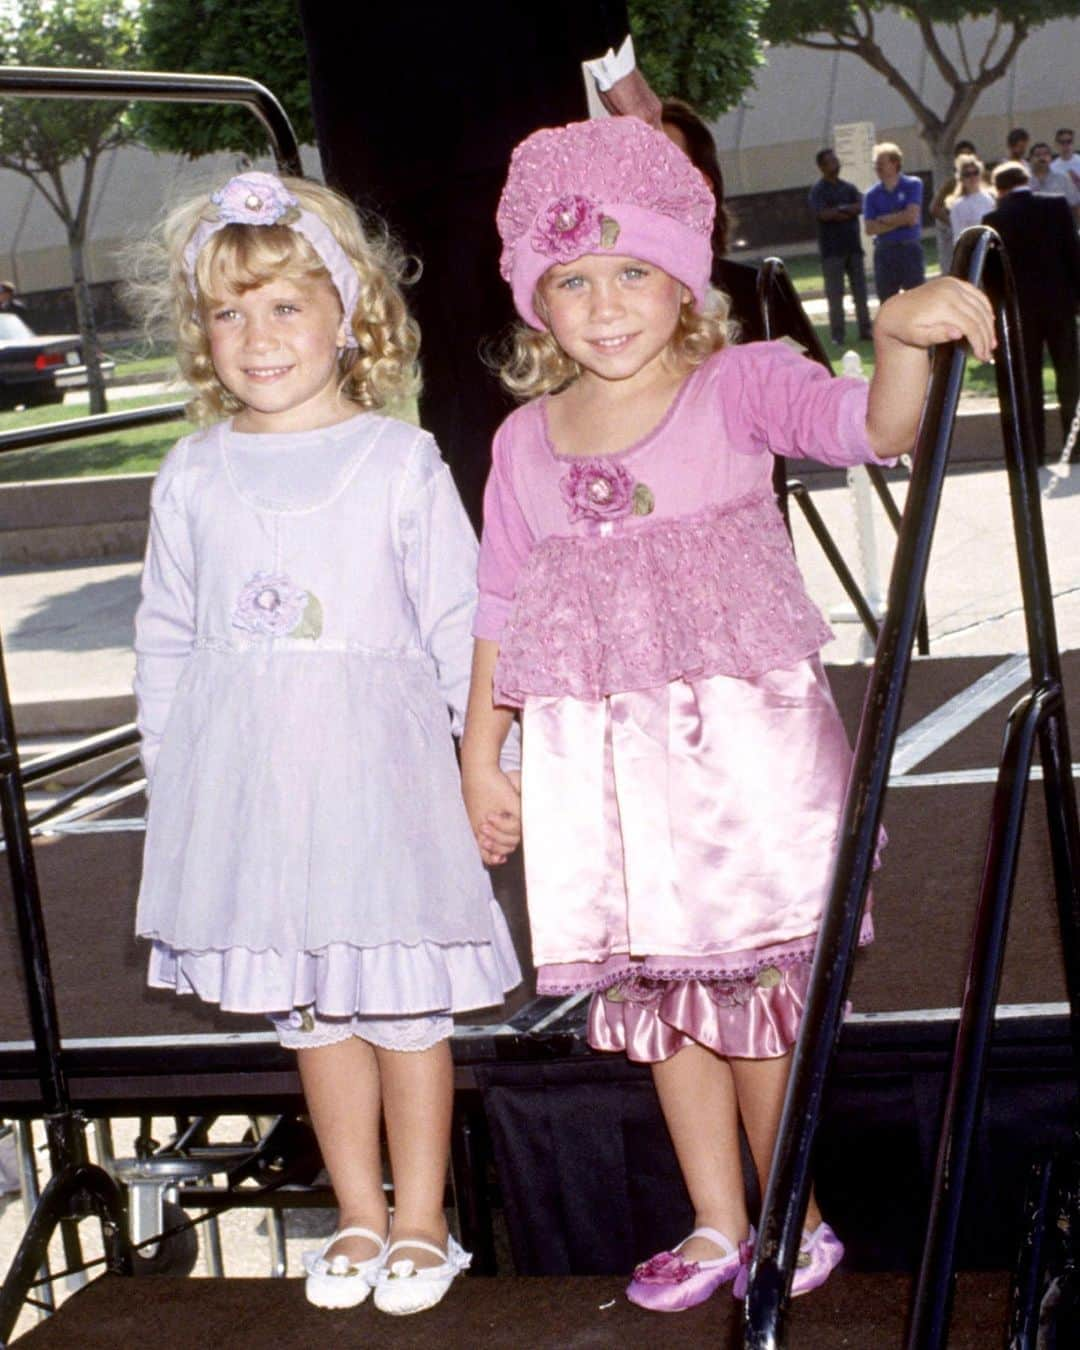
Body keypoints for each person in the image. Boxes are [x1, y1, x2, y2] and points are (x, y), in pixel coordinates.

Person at [462, 116, 994, 1313]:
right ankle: (715, 1221)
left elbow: (871, 428)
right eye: (574, 280)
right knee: (664, 1007)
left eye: (633, 273)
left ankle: (791, 1208)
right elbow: (499, 600)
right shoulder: (519, 442)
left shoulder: (739, 386)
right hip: (605, 768)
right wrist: (480, 754)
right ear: (535, 295)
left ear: (684, 277)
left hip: (742, 764)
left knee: (755, 1004)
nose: (605, 305)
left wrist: (902, 334)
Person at [131, 172, 521, 1314]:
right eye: (228, 312)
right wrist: (177, 779)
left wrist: (489, 766)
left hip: (380, 789)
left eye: (284, 305)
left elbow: (463, 628)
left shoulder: (397, 464)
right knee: (314, 1012)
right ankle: (355, 1212)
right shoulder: (192, 471)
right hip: (256, 791)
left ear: (348, 312)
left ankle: (421, 1220)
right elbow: (166, 637)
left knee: (401, 1005)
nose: (256, 337)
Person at [984, 160, 1080, 463]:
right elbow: (1073, 254)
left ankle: (1032, 451)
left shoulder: (993, 218)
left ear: (998, 190)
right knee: (1070, 375)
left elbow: (992, 275)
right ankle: (1076, 446)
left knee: (1027, 382)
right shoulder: (1056, 207)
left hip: (1019, 312)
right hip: (1060, 304)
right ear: (1026, 180)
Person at [808, 148, 873, 346]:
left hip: (853, 248)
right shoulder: (818, 191)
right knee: (835, 295)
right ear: (821, 167)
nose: (835, 164)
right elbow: (823, 214)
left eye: (835, 160)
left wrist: (840, 210)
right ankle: (838, 335)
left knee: (861, 293)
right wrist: (845, 210)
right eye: (829, 161)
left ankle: (866, 330)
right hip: (832, 252)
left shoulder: (848, 187)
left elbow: (861, 206)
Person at [864, 141, 926, 302]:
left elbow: (912, 217)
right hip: (885, 251)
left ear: (895, 163)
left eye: (881, 164)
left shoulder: (912, 185)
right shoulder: (871, 195)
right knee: (887, 300)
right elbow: (870, 228)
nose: (877, 168)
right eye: (875, 164)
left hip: (909, 249)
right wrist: (901, 218)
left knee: (917, 298)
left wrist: (884, 219)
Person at [929, 139, 976, 276]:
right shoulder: (952, 184)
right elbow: (934, 208)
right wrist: (953, 223)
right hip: (963, 238)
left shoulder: (984, 179)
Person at [946, 154, 995, 240]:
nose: (972, 177)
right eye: (967, 174)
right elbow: (958, 236)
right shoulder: (957, 206)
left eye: (975, 173)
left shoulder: (990, 198)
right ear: (961, 178)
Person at [1030, 140, 1080, 224]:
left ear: (1051, 158)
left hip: (1058, 228)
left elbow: (1075, 206)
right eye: (1038, 155)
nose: (1042, 158)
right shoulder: (1024, 181)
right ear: (1031, 159)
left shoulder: (1063, 179)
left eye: (1046, 154)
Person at [1051, 128, 1080, 195]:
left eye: (1069, 141)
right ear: (1056, 144)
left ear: (1073, 143)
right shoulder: (1052, 168)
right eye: (1062, 142)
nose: (1066, 145)